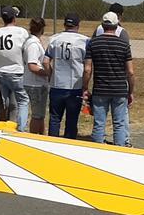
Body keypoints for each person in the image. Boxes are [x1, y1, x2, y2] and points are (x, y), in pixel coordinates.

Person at [83, 11, 134, 146]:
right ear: (117, 25)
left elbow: (87, 69)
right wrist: (131, 91)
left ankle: (98, 150)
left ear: (102, 25)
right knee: (119, 123)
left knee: (99, 123)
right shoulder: (124, 45)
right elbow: (130, 71)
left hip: (100, 89)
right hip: (119, 89)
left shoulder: (93, 43)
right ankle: (119, 150)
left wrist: (85, 88)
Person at [45, 12, 88, 139]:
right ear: (77, 25)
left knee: (54, 118)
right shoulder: (84, 41)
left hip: (57, 84)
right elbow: (87, 67)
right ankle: (68, 145)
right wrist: (85, 85)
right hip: (75, 86)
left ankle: (52, 144)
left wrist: (50, 75)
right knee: (72, 120)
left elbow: (45, 61)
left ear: (64, 24)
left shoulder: (54, 39)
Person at [0, 6, 30, 132]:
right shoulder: (21, 32)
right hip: (17, 71)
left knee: (1, 102)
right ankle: (21, 129)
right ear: (14, 18)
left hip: (1, 71)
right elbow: (26, 50)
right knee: (23, 101)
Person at [23, 17, 51, 135]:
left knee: (40, 115)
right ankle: (34, 137)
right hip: (35, 84)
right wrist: (47, 72)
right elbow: (32, 65)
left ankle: (41, 136)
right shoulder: (33, 44)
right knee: (37, 116)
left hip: (36, 83)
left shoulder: (32, 41)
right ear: (42, 29)